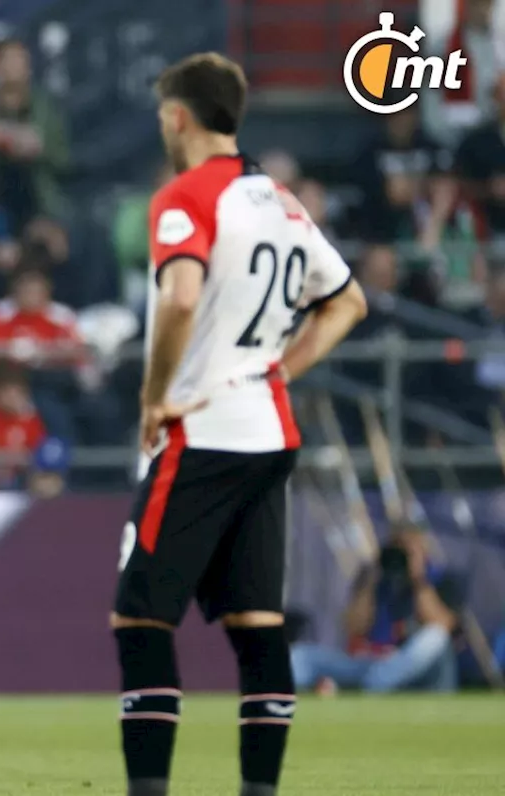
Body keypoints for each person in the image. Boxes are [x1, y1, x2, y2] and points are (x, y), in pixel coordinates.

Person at [111, 53, 368, 796]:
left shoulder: (183, 197)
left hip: (201, 428)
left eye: (165, 114)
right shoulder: (281, 202)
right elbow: (347, 301)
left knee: (139, 621)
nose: (163, 125)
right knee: (257, 625)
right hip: (269, 431)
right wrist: (279, 370)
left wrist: (156, 394)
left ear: (180, 116)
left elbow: (183, 298)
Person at [291, 526, 462, 693]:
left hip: (418, 669)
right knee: (301, 655)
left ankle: (373, 684)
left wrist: (419, 579)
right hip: (375, 663)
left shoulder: (441, 579)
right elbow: (354, 627)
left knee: (435, 636)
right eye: (398, 550)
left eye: (409, 552)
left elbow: (442, 626)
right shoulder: (375, 578)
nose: (402, 557)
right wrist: (373, 578)